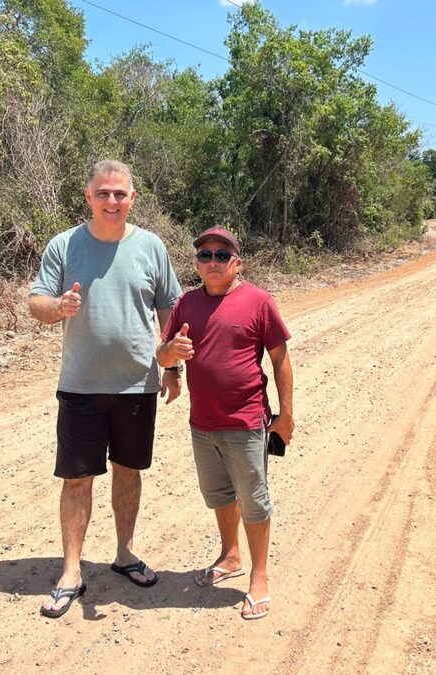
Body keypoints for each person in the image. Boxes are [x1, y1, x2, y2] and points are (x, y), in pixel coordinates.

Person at [29, 160, 182, 619]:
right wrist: (58, 306)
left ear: (133, 198)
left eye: (120, 194)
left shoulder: (151, 247)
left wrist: (173, 368)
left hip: (137, 384)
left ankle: (124, 554)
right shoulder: (65, 245)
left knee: (128, 472)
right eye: (103, 193)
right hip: (80, 385)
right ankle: (71, 571)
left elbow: (172, 310)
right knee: (77, 478)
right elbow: (36, 302)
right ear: (88, 196)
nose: (111, 201)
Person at [157, 226, 294, 620]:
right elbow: (164, 357)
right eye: (205, 255)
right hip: (202, 424)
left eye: (221, 255)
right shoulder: (185, 304)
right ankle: (230, 556)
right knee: (218, 495)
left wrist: (285, 416)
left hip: (247, 422)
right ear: (197, 263)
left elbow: (280, 360)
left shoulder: (259, 301)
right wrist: (171, 352)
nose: (212, 262)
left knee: (253, 500)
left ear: (237, 263)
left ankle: (260, 576)